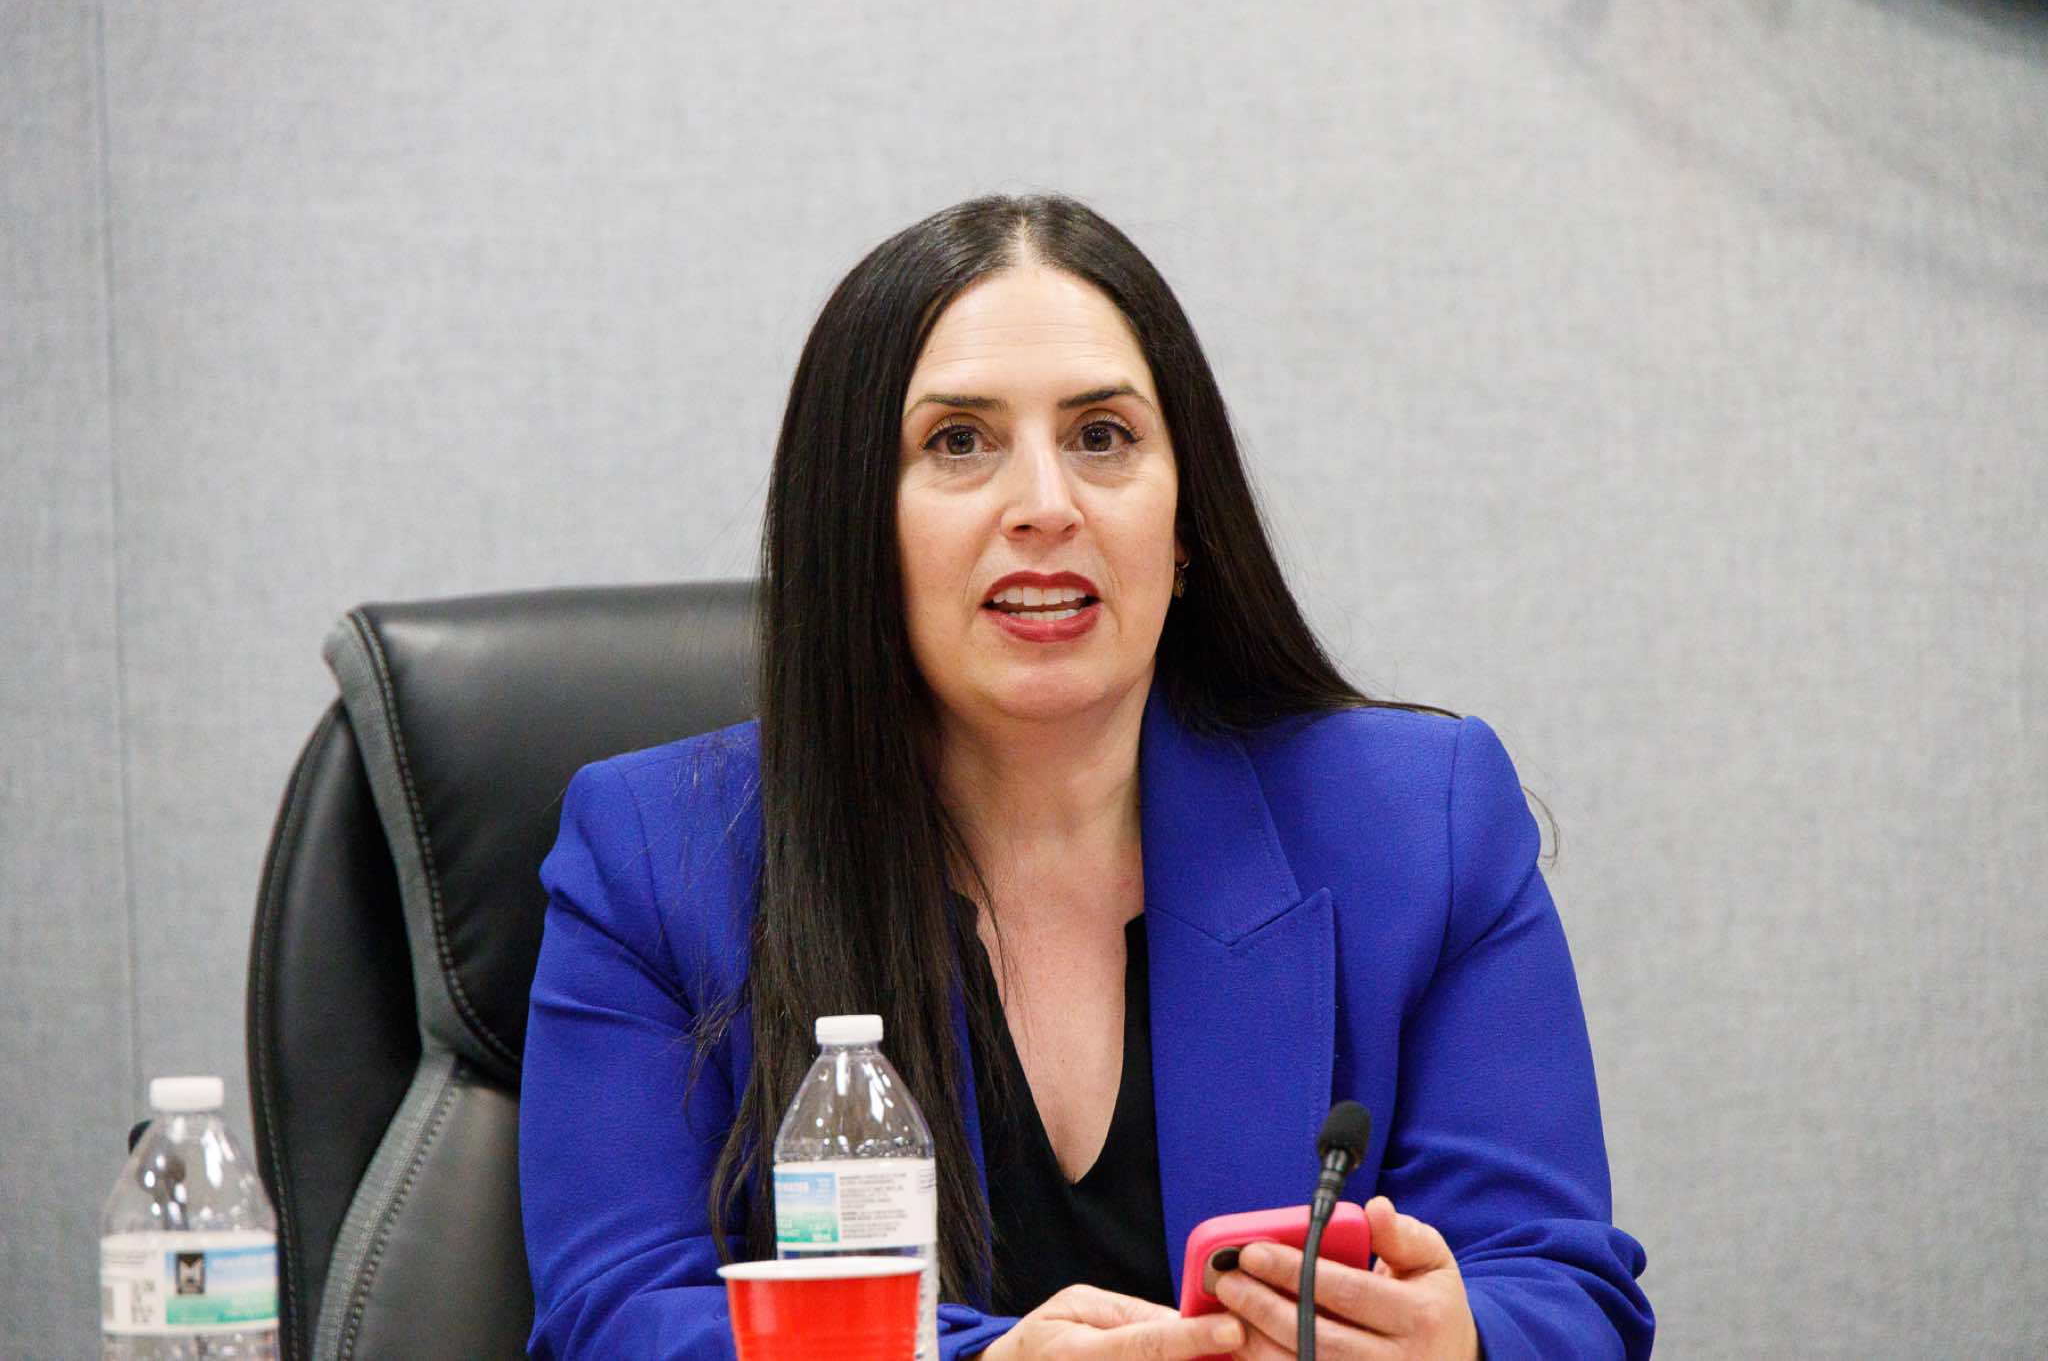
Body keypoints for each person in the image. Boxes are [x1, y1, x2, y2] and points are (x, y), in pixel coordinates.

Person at [519, 194, 1654, 1360]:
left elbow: (1561, 1289)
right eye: (957, 442)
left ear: (1185, 522)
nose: (1045, 507)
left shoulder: (1422, 824)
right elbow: (616, 1314)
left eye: (1101, 437)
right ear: (852, 525)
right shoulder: (656, 858)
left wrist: (1457, 1342)